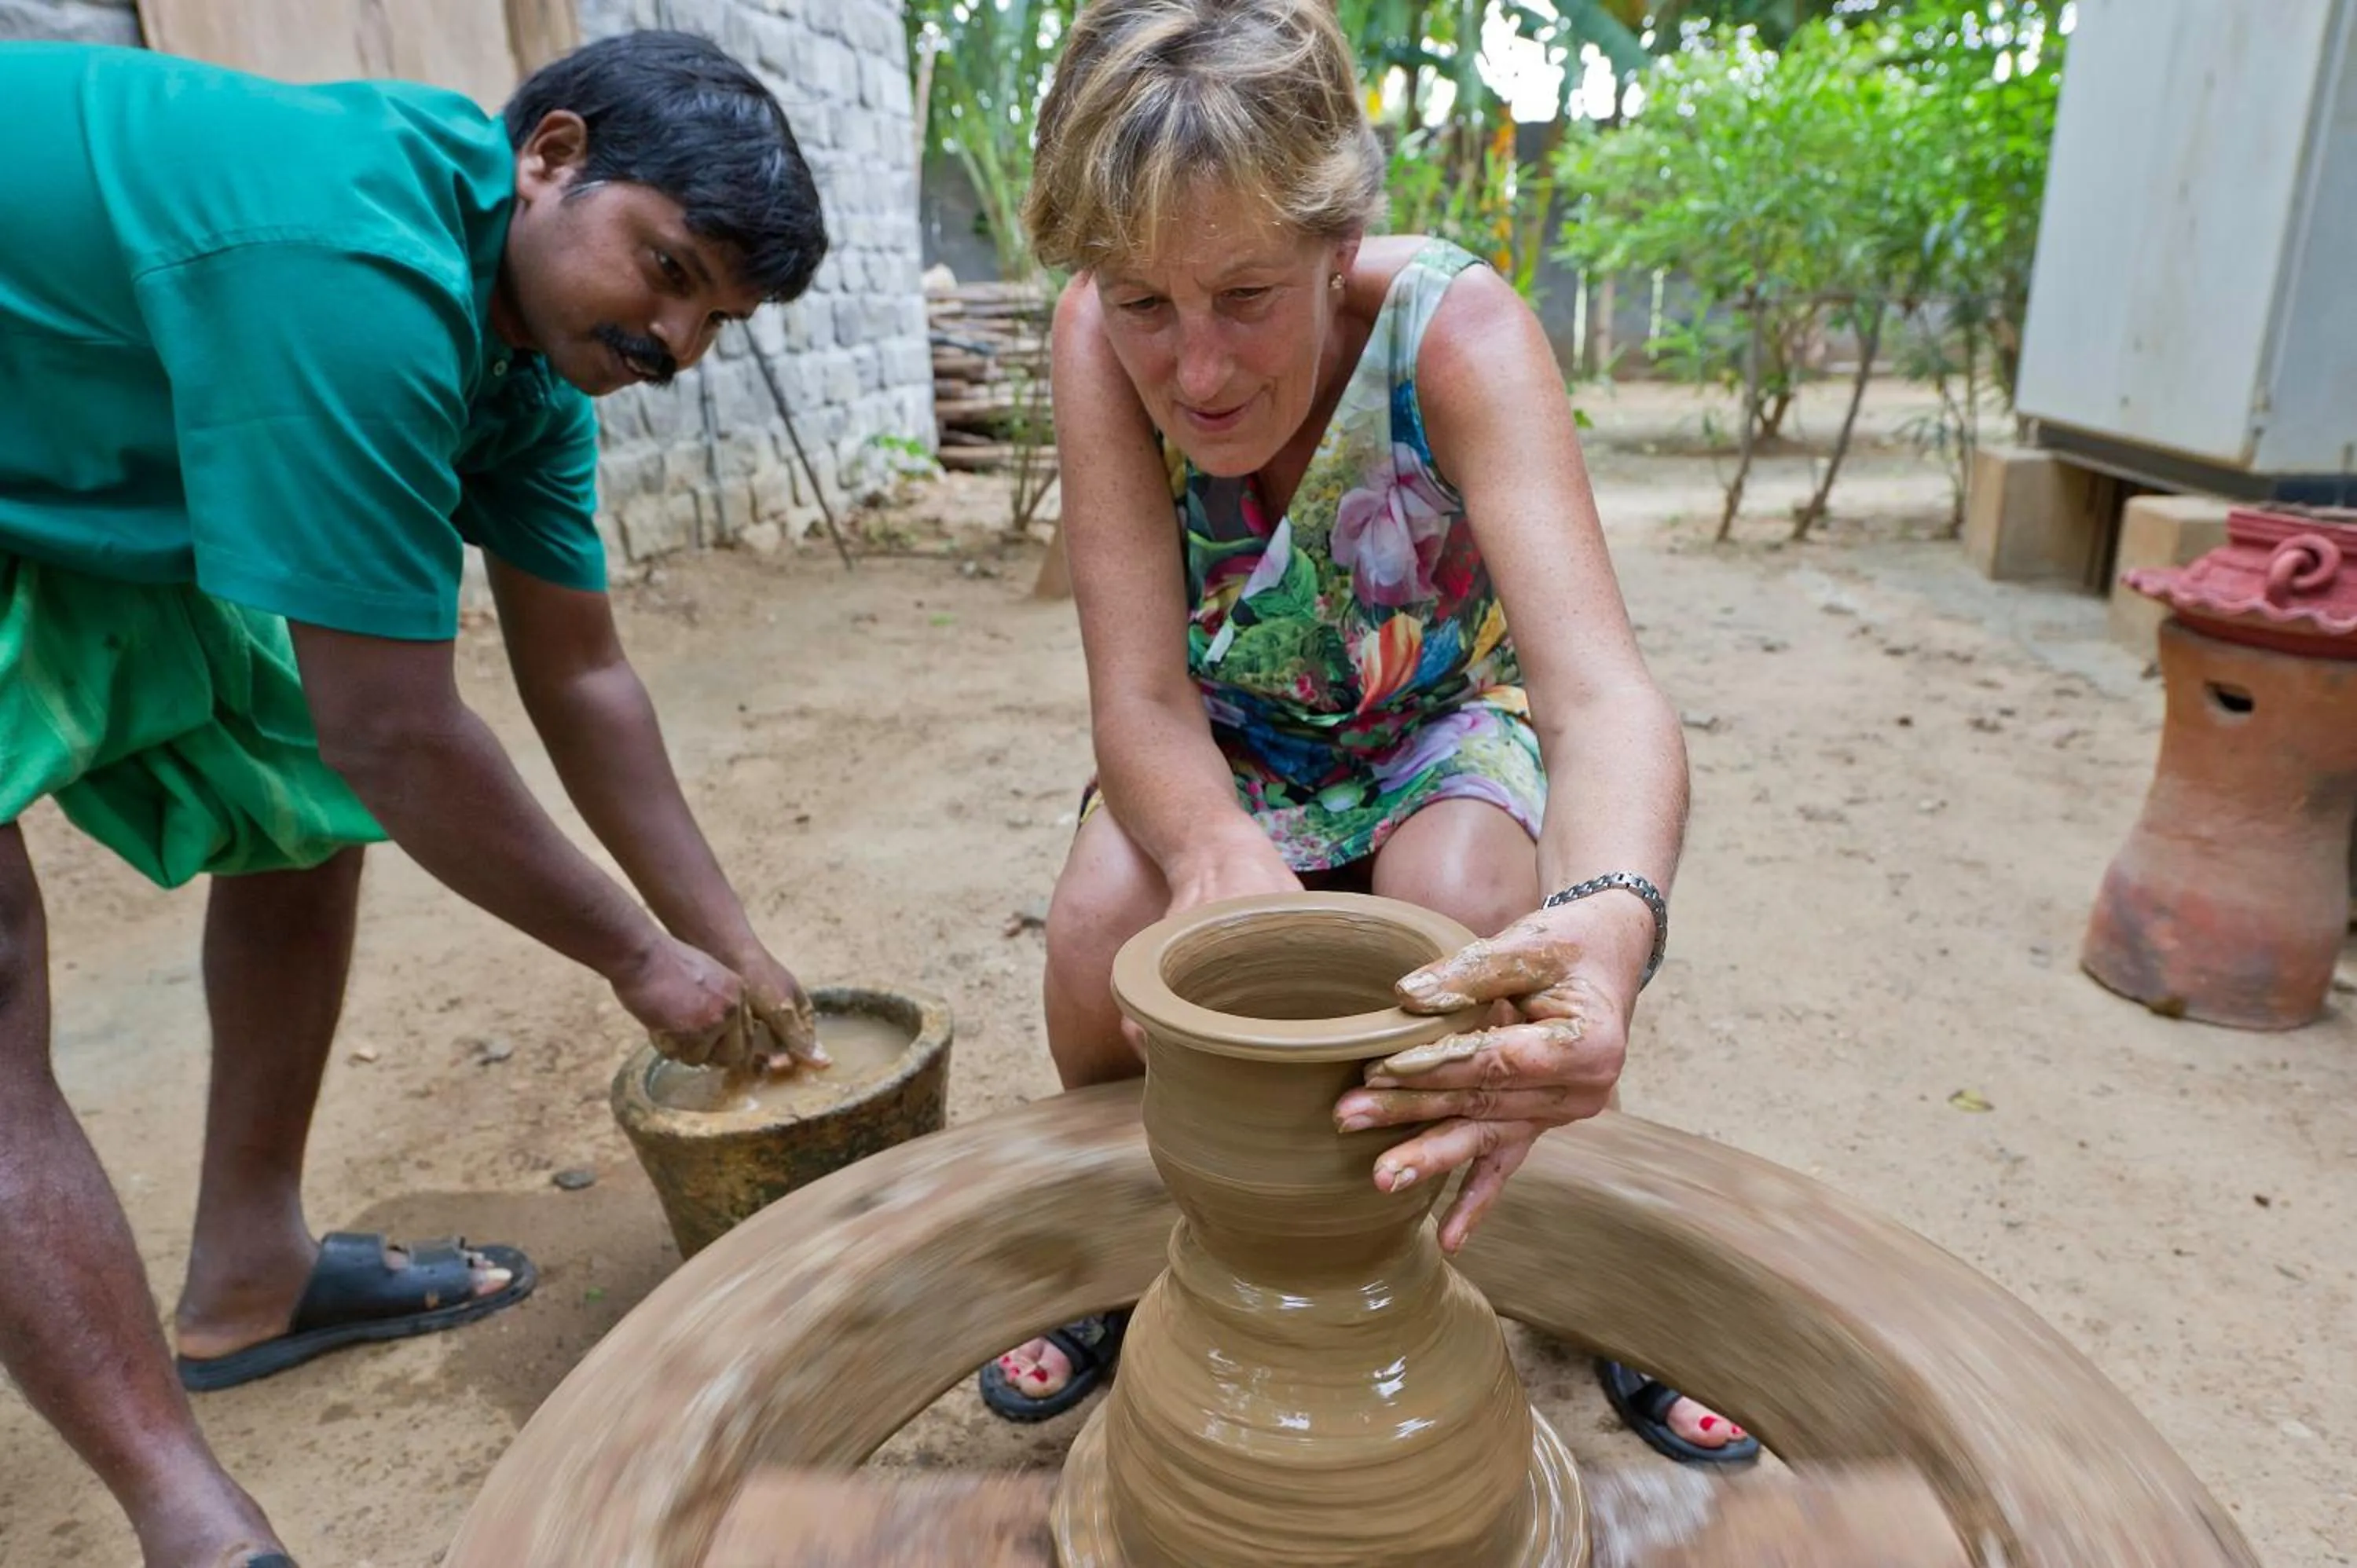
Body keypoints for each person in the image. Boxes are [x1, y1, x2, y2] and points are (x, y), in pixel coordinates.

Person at [1, 30, 830, 1568]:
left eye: (716, 317)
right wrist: (638, 959)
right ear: (552, 156)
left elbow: (582, 675)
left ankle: (251, 1270)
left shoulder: (526, 356)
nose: (675, 340)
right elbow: (394, 730)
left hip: (47, 426)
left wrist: (729, 938)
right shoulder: (357, 272)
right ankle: (190, 1516)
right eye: (669, 271)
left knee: (297, 805)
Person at [970, 0, 1757, 1471]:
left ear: (1339, 244)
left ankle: (1557, 1253)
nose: (1199, 372)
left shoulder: (1457, 334)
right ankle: (1131, 1254)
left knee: (1468, 917)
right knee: (1097, 937)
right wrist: (1214, 853)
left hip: (1437, 715)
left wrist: (1612, 923)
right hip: (1227, 738)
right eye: (1147, 304)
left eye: (1246, 295)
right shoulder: (1092, 336)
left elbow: (1600, 695)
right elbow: (1139, 697)